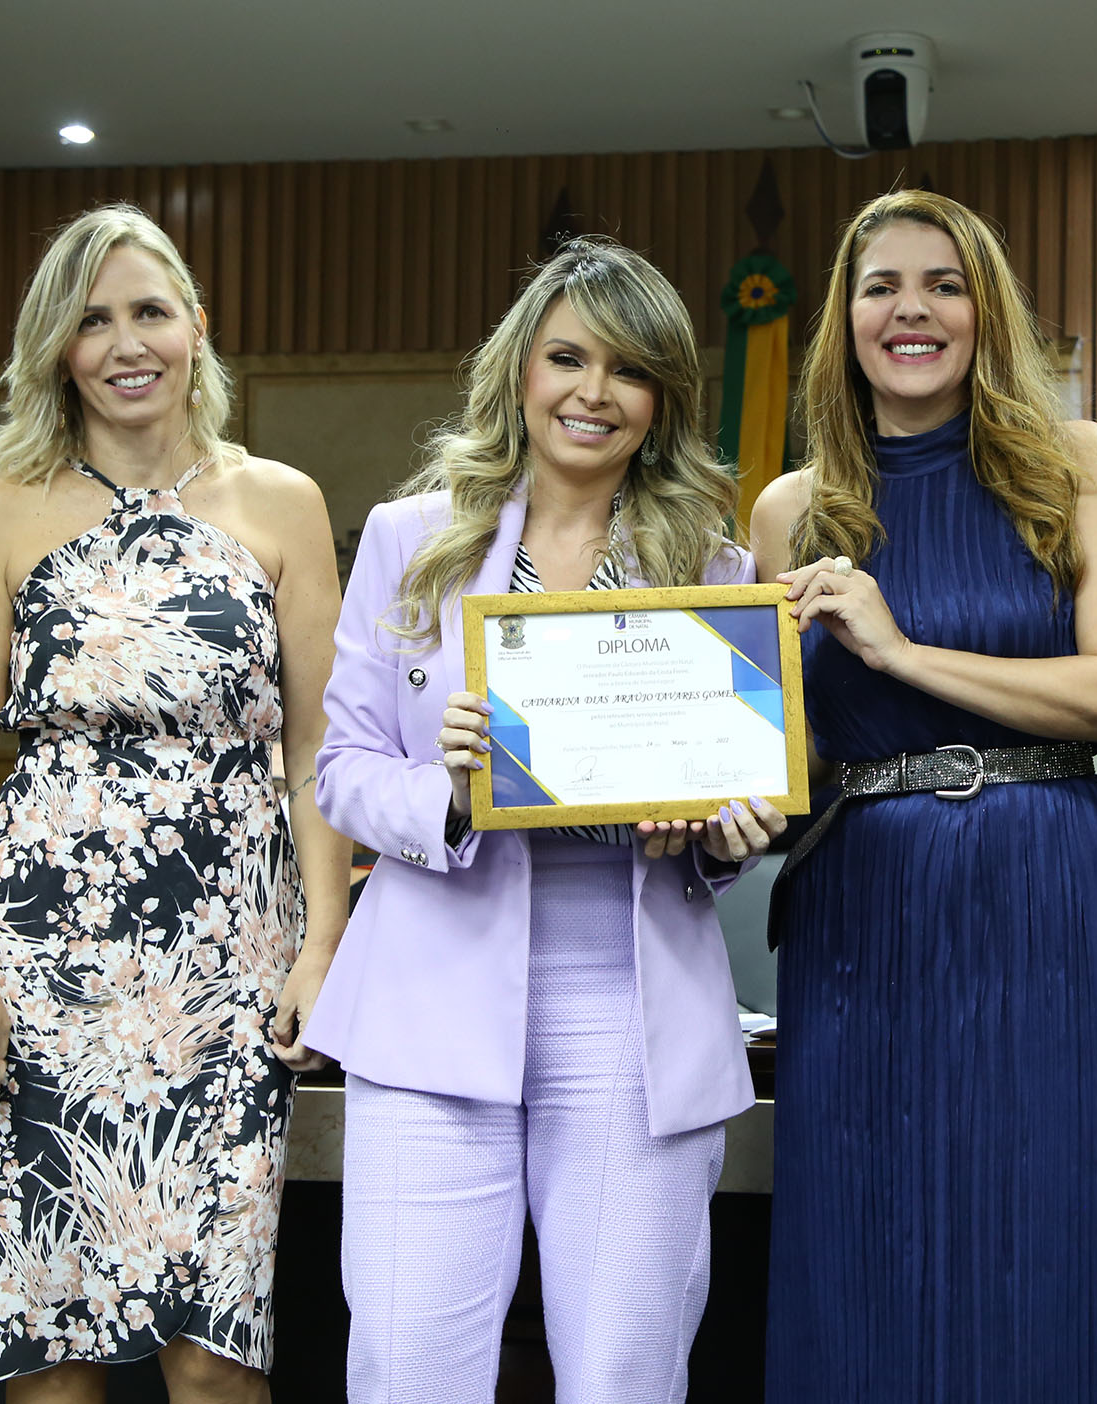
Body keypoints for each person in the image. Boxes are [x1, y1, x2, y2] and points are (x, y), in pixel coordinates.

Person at [302, 236, 785, 1404]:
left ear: (661, 399)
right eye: (567, 358)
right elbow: (341, 771)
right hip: (428, 1002)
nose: (592, 392)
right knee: (408, 1369)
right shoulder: (410, 540)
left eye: (628, 369)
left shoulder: (715, 567)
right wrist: (451, 792)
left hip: (633, 1007)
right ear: (520, 368)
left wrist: (723, 833)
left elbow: (737, 801)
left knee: (624, 1371)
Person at [751, 190, 1097, 1401]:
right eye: (881, 287)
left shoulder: (1074, 462)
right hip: (862, 903)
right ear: (843, 319)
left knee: (1054, 1221)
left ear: (984, 310)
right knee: (867, 1231)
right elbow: (780, 759)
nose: (913, 311)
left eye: (943, 284)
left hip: (1048, 887)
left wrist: (899, 653)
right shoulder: (789, 510)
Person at [0, 204, 349, 1399]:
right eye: (91, 320)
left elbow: (319, 743)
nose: (125, 344)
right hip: (42, 966)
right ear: (58, 350)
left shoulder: (282, 501)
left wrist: (325, 943)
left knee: (213, 1359)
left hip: (227, 963)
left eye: (148, 312)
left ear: (196, 327)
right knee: (49, 1358)